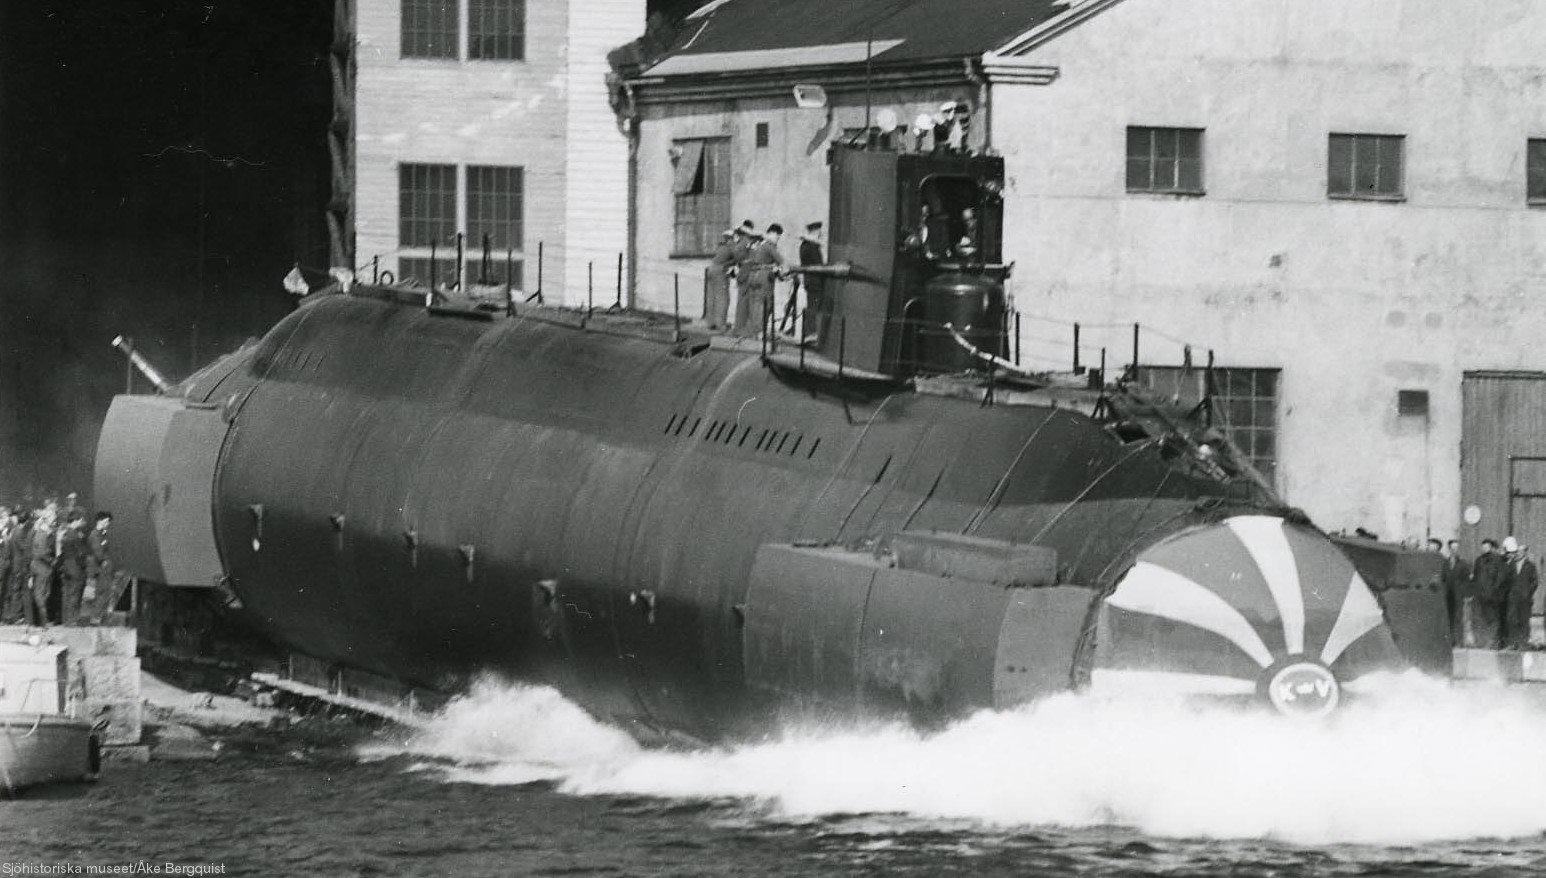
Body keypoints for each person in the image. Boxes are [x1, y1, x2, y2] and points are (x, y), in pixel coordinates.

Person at [732, 223, 786, 337]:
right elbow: (781, 261)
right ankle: (760, 332)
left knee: (754, 304)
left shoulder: (756, 244)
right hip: (763, 277)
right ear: (772, 233)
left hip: (752, 276)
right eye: (778, 236)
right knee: (765, 304)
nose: (778, 239)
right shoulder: (769, 245)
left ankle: (754, 331)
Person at [1501, 536, 1538, 650]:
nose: (1518, 553)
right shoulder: (1511, 564)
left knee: (1523, 620)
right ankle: (1513, 643)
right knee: (1512, 620)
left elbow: (1535, 582)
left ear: (1525, 553)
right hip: (1513, 598)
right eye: (1518, 551)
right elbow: (1506, 580)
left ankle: (1523, 643)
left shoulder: (1530, 565)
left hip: (1525, 599)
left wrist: (1528, 593)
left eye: (1521, 551)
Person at [1471, 537, 1507, 649]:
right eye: (1483, 547)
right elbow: (1476, 577)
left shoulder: (1497, 560)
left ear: (1491, 548)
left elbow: (1500, 578)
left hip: (1492, 596)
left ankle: (1492, 643)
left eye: (1487, 547)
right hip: (1480, 596)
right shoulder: (1479, 560)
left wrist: (1493, 590)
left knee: (1492, 619)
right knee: (1480, 618)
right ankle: (1482, 642)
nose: (1484, 549)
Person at [796, 221, 827, 343]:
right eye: (819, 232)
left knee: (811, 306)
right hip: (816, 281)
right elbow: (818, 264)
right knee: (813, 307)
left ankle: (807, 333)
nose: (820, 234)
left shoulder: (803, 245)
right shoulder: (812, 246)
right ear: (815, 232)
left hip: (809, 280)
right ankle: (811, 333)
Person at [27, 506, 58, 626]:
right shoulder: (42, 534)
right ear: (47, 519)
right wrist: (52, 561)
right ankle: (42, 620)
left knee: (43, 593)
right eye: (52, 518)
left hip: (41, 567)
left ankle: (41, 620)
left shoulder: (42, 533)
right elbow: (41, 553)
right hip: (41, 568)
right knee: (41, 594)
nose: (54, 521)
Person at [56, 511, 88, 625]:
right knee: (75, 593)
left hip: (66, 566)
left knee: (66, 593)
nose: (81, 522)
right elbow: (80, 553)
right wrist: (84, 565)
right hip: (75, 567)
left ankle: (65, 619)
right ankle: (72, 619)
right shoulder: (75, 535)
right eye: (80, 520)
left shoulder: (65, 534)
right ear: (76, 521)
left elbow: (62, 552)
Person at [703, 229, 737, 331]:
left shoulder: (721, 246)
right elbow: (738, 258)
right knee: (722, 297)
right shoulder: (732, 246)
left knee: (711, 297)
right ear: (732, 237)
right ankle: (721, 324)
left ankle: (710, 322)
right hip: (720, 271)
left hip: (711, 269)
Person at [1441, 539, 1472, 647]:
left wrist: (1466, 595)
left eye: (1456, 548)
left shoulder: (1463, 564)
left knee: (1458, 618)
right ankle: (1449, 641)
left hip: (1458, 595)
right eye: (1452, 548)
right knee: (1447, 618)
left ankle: (1458, 641)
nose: (1454, 550)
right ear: (1449, 549)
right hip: (1447, 595)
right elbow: (1442, 579)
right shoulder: (1444, 563)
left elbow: (1467, 581)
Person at [2, 510, 30, 623]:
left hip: (14, 563)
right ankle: (16, 616)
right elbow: (23, 548)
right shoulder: (20, 532)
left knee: (15, 590)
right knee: (18, 590)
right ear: (26, 521)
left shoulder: (13, 530)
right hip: (19, 565)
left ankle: (13, 615)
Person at [86, 511, 113, 622]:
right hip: (100, 567)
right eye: (106, 521)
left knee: (104, 591)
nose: (107, 524)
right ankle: (95, 616)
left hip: (103, 566)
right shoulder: (95, 535)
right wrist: (103, 560)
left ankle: (98, 615)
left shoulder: (102, 534)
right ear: (100, 521)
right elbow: (98, 552)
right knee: (101, 591)